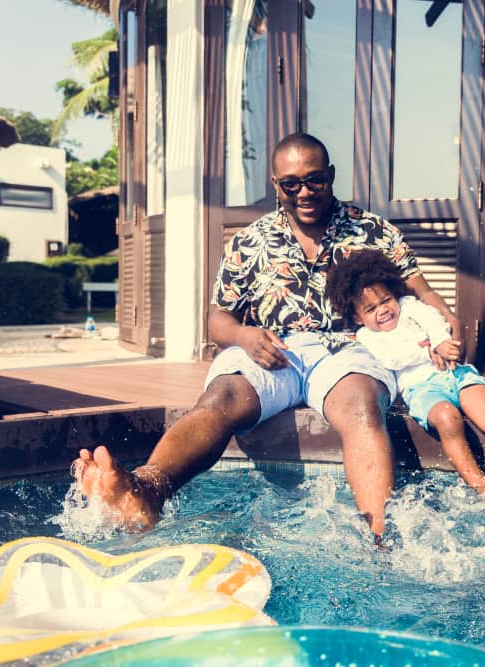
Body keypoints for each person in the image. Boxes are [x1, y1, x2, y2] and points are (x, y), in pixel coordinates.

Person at [73, 132, 460, 539]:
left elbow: (422, 289)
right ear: (276, 185)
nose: (304, 192)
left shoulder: (373, 232)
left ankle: (380, 540)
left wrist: (445, 323)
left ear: (330, 175)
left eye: (315, 180)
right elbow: (217, 320)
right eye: (291, 184)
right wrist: (244, 336)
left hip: (348, 349)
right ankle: (145, 491)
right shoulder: (249, 242)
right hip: (272, 349)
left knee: (363, 405)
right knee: (221, 397)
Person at [326, 249, 485, 499]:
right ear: (357, 316)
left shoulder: (409, 306)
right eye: (371, 308)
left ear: (395, 293)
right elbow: (391, 358)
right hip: (421, 388)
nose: (383, 310)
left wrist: (441, 340)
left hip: (456, 374)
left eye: (386, 300)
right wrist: (428, 350)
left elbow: (434, 321)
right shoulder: (367, 336)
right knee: (446, 418)